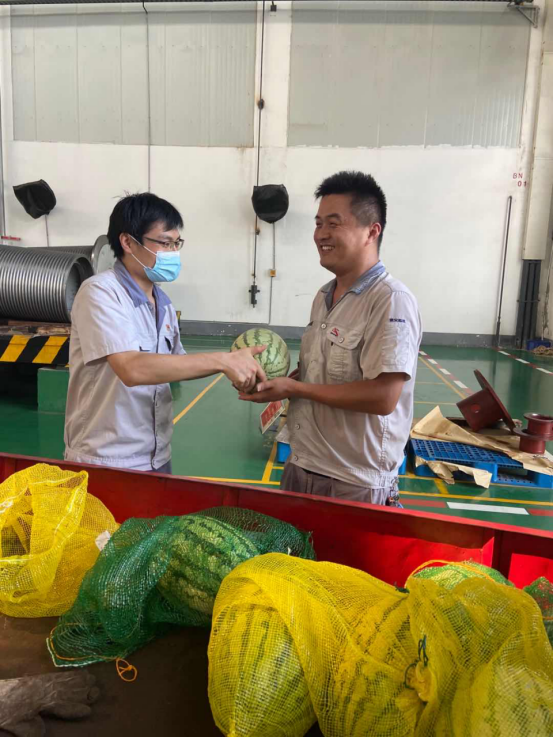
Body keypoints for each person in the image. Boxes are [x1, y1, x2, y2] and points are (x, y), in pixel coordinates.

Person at [240, 171, 422, 505]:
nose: (321, 234)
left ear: (372, 231)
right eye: (318, 223)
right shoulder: (324, 296)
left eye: (334, 224)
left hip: (354, 483)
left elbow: (383, 397)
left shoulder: (390, 300)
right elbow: (320, 376)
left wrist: (295, 389)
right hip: (303, 465)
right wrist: (275, 382)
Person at [64, 193, 265, 473]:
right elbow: (131, 368)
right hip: (106, 459)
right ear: (128, 242)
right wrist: (223, 361)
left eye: (176, 244)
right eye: (165, 243)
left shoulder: (163, 303)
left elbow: (176, 366)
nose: (173, 252)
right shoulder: (100, 293)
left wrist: (236, 371)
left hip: (156, 455)